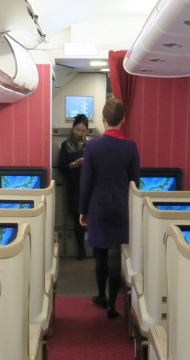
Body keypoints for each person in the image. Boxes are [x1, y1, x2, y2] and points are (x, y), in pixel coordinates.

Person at [79, 99, 140, 319]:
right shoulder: (130, 147)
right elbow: (135, 183)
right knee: (116, 255)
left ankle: (101, 295)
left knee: (100, 254)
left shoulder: (92, 145)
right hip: (122, 206)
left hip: (99, 206)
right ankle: (113, 305)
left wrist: (83, 210)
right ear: (123, 119)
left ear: (103, 119)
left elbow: (86, 181)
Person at [57, 113, 90, 259]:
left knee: (91, 218)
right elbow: (61, 166)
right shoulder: (66, 145)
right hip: (74, 186)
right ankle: (81, 251)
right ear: (73, 128)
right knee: (78, 219)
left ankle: (94, 250)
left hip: (89, 185)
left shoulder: (90, 144)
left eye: (83, 131)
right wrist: (74, 164)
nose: (80, 133)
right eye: (77, 130)